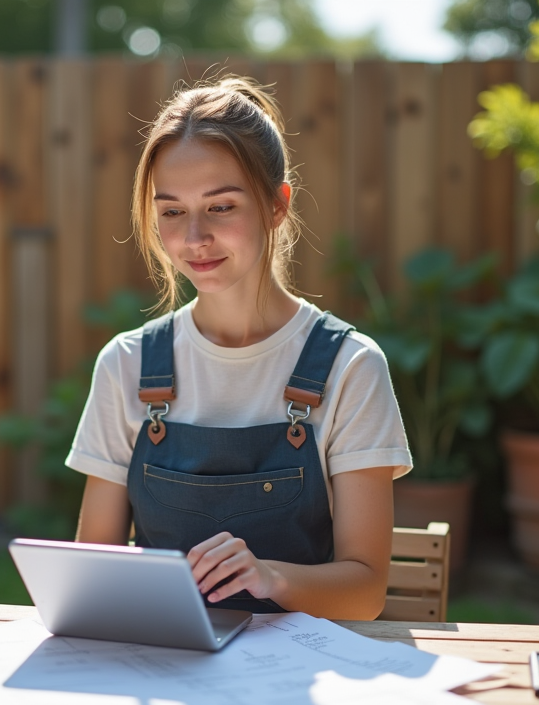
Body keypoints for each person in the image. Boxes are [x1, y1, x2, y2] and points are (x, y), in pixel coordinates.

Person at [65, 76, 412, 621]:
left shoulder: (351, 367)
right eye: (172, 211)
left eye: (221, 207)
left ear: (277, 206)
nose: (194, 238)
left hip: (299, 681)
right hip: (162, 669)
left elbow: (365, 592)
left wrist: (269, 577)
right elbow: (93, 570)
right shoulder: (126, 365)